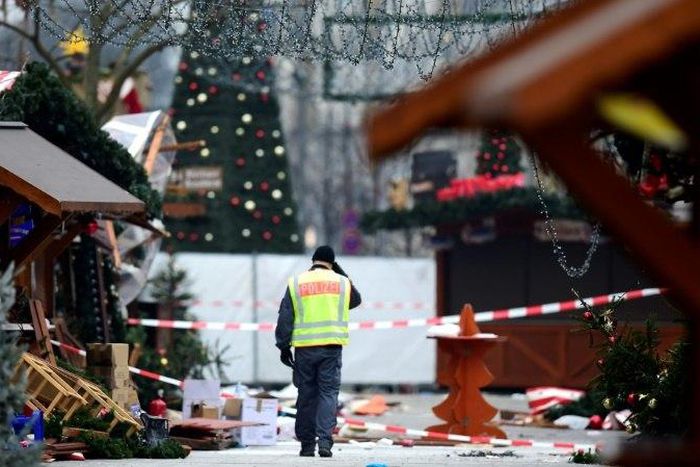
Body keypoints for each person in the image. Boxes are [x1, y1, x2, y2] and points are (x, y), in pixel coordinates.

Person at [275, 245, 361, 458]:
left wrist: (283, 346)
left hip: (304, 349)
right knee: (328, 393)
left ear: (312, 261)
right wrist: (339, 271)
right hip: (331, 348)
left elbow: (285, 316)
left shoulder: (296, 282)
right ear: (332, 262)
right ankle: (324, 441)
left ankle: (306, 445)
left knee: (306, 394)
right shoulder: (342, 283)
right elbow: (356, 300)